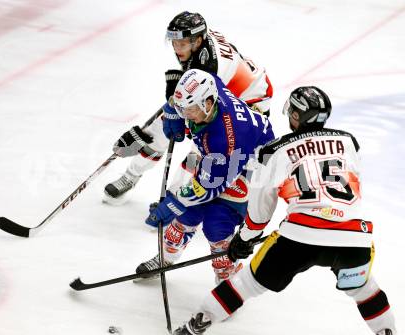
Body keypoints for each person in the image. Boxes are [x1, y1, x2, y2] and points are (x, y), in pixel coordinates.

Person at [173, 86, 397, 335]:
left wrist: (245, 238)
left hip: (299, 236)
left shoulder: (274, 150)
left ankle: (198, 324)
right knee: (364, 289)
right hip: (353, 237)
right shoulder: (349, 142)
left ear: (297, 116)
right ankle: (387, 332)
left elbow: (261, 207)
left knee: (247, 283)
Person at [103, 11, 273, 202]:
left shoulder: (212, 67)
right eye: (174, 43)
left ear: (198, 41)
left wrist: (149, 131)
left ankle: (176, 200)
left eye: (181, 44)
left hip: (249, 101)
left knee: (201, 150)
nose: (176, 49)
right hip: (225, 90)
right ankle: (131, 176)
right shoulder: (200, 45)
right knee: (162, 134)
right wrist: (147, 133)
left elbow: (190, 112)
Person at [135, 69, 274, 283]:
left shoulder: (224, 140)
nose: (185, 115)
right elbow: (185, 91)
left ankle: (227, 275)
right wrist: (172, 110)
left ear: (208, 104)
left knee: (216, 223)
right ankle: (166, 257)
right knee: (187, 214)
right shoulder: (208, 86)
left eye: (189, 110)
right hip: (227, 156)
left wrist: (173, 202)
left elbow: (207, 187)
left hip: (253, 166)